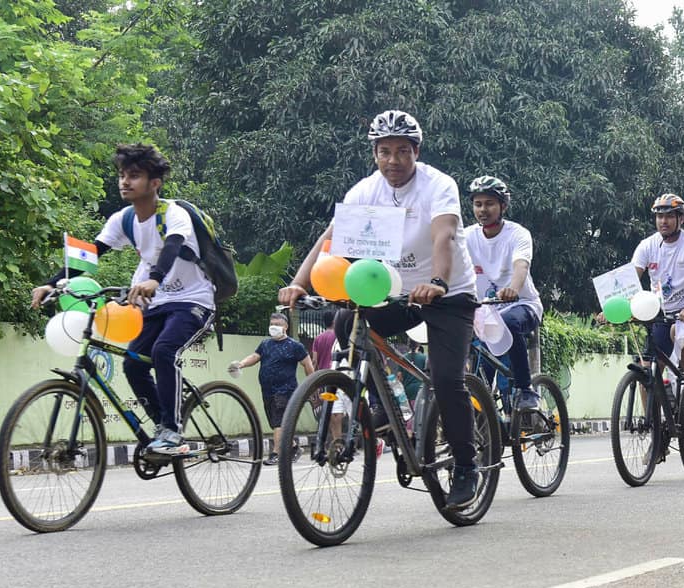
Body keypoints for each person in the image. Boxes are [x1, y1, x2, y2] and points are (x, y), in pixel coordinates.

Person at [278, 110, 482, 509]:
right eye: (384, 152)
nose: (393, 161)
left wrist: (438, 282)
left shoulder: (438, 185)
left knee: (445, 379)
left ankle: (466, 465)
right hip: (393, 292)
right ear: (374, 153)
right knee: (344, 324)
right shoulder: (364, 192)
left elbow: (444, 235)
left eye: (402, 152)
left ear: (416, 152)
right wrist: (299, 283)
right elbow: (331, 241)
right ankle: (384, 406)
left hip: (448, 294)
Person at [31, 143, 215, 455]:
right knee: (133, 364)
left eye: (134, 176)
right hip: (154, 304)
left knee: (164, 350)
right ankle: (160, 427)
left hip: (193, 301)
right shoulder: (123, 219)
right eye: (122, 175)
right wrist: (51, 284)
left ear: (154, 183)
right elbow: (89, 257)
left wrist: (154, 279)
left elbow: (171, 246)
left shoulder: (173, 214)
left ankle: (172, 431)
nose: (124, 182)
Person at [464, 175, 544, 410]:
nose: (483, 210)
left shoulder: (517, 234)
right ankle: (486, 427)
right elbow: (454, 267)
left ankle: (526, 389)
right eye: (478, 204)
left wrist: (513, 289)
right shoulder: (468, 236)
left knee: (508, 322)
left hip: (522, 305)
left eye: (489, 203)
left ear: (503, 206)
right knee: (480, 376)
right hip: (485, 312)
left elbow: (521, 265)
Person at [630, 193, 684, 411]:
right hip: (661, 313)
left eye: (669, 216)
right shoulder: (647, 246)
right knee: (646, 371)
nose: (663, 221)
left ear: (681, 219)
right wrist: (610, 309)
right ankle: (654, 427)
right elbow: (629, 280)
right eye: (659, 216)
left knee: (681, 331)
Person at [229, 313, 315, 465]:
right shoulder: (265, 344)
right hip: (268, 390)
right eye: (272, 324)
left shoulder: (295, 346)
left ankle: (276, 453)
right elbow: (255, 357)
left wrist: (312, 386)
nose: (273, 327)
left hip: (286, 390)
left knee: (278, 422)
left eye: (277, 324)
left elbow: (308, 365)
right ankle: (294, 448)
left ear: (286, 327)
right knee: (276, 422)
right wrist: (241, 364)